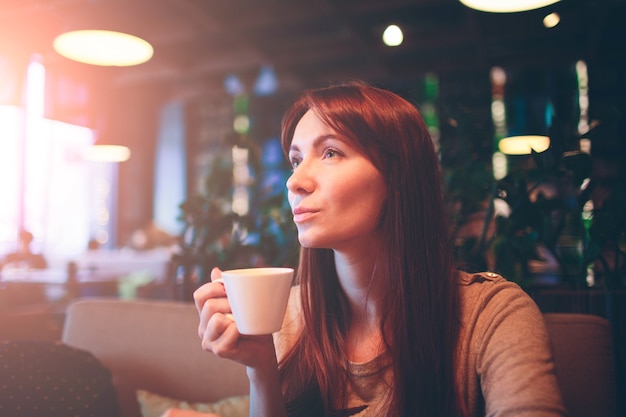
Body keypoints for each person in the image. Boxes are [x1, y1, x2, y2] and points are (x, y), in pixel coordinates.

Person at [190, 82, 566, 417]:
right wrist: (260, 370)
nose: (295, 181)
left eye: (331, 152)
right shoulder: (286, 317)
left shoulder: (491, 315)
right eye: (296, 159)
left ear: (397, 177)